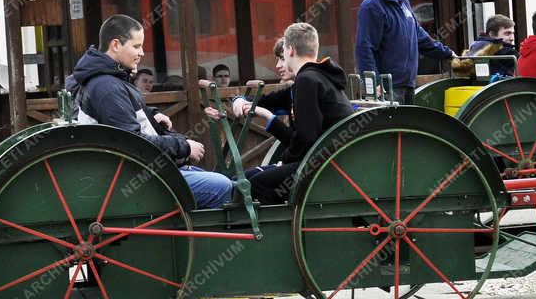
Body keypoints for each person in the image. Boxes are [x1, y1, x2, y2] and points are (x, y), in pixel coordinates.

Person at [65, 14, 234, 209]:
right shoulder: (106, 86)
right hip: (134, 179)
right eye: (136, 46)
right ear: (116, 45)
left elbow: (127, 111)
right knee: (221, 186)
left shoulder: (109, 78)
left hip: (138, 171)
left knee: (215, 178)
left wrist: (152, 114)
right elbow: (132, 142)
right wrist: (184, 147)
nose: (142, 53)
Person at [247, 23, 354, 204]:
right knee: (253, 177)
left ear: (290, 50)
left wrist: (284, 161)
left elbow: (306, 136)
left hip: (326, 166)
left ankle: (273, 231)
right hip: (335, 159)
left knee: (257, 184)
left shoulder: (307, 80)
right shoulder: (319, 77)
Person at [355, 0, 454, 103]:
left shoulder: (403, 1)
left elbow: (418, 35)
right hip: (386, 88)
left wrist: (447, 53)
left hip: (407, 85)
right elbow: (364, 47)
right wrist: (373, 84)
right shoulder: (371, 6)